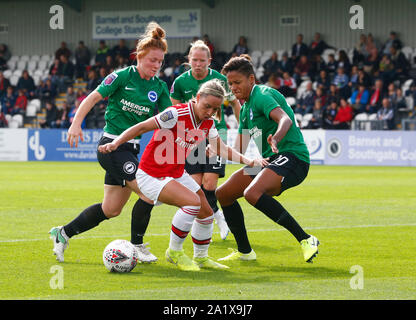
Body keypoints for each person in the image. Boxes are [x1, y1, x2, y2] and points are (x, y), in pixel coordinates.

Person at [98, 79, 267, 271]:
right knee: (192, 203)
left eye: (215, 108)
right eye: (207, 106)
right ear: (197, 98)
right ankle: (175, 252)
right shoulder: (176, 113)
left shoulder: (208, 123)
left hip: (176, 173)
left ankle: (201, 257)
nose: (210, 112)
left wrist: (249, 161)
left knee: (206, 212)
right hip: (151, 174)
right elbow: (142, 127)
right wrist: (116, 143)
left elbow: (220, 147)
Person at [49, 22, 172, 264]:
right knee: (148, 193)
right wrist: (75, 124)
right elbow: (92, 97)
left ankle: (62, 233)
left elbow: (170, 117)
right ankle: (137, 247)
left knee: (111, 209)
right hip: (111, 146)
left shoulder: (159, 87)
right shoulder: (121, 76)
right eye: (152, 60)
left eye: (160, 62)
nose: (156, 66)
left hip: (131, 150)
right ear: (139, 56)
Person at [216, 55, 320, 263]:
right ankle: (245, 252)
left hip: (292, 156)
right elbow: (240, 149)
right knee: (224, 193)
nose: (234, 88)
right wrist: (211, 144)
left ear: (251, 79)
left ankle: (306, 239)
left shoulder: (262, 94)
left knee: (252, 193)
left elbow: (285, 119)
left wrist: (276, 138)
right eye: (231, 84)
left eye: (238, 82)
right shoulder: (245, 110)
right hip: (269, 161)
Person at [169, 40, 242, 240]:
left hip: (216, 133)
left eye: (202, 60)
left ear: (209, 61)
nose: (198, 63)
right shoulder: (180, 82)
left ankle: (216, 220)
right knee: (195, 185)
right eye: (195, 60)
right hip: (192, 137)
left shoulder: (220, 80)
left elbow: (235, 104)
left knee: (210, 183)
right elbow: (174, 111)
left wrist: (242, 124)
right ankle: (217, 218)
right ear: (189, 60)